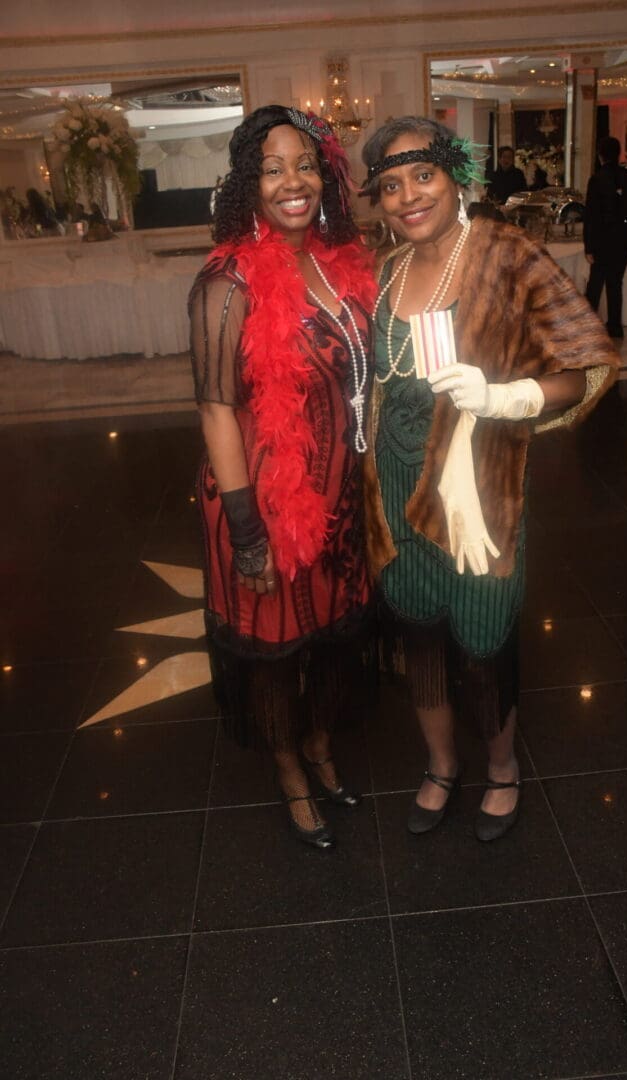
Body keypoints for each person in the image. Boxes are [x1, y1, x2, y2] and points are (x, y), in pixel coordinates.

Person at [359, 116, 618, 842]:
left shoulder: (507, 253)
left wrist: (512, 397)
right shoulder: (383, 272)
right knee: (420, 639)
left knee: (482, 642)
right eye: (389, 185)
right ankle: (442, 765)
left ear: (453, 174)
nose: (408, 196)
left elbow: (585, 363)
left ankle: (501, 770)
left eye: (423, 175)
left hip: (480, 493)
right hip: (393, 491)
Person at [188, 106, 377, 850]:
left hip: (338, 497)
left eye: (304, 163)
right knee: (275, 657)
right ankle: (291, 773)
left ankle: (323, 747)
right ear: (247, 184)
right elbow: (214, 409)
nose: (293, 181)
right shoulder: (226, 281)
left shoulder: (339, 259)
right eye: (273, 168)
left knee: (331, 641)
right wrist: (246, 534)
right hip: (263, 501)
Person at [583, 135, 627, 340]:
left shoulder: (597, 179)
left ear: (600, 155)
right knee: (615, 281)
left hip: (604, 237)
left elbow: (591, 216)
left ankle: (588, 326)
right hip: (625, 236)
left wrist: (589, 247)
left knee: (596, 282)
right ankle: (615, 326)